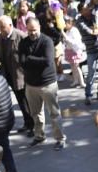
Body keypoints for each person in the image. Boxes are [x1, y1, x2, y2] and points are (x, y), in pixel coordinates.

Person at [20, 16, 65, 149]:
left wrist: (29, 59)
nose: (32, 33)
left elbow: (47, 61)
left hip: (47, 84)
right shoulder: (24, 42)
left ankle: (60, 138)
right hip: (31, 85)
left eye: (34, 30)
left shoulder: (47, 41)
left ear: (39, 27)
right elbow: (22, 62)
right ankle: (39, 136)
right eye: (29, 30)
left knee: (54, 113)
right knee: (36, 113)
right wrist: (33, 61)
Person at [0, 15, 32, 135]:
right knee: (20, 100)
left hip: (21, 75)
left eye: (3, 27)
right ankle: (27, 123)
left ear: (10, 25)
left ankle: (33, 125)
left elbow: (29, 54)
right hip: (8, 74)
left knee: (27, 101)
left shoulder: (21, 36)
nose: (1, 29)